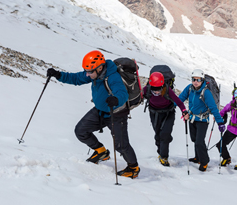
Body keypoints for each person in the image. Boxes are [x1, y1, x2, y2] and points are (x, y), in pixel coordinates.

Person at [47, 50, 140, 178]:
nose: (88, 74)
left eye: (90, 71)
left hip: (116, 114)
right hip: (100, 111)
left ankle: (133, 168)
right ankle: (101, 152)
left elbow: (122, 93)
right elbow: (76, 78)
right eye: (87, 71)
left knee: (121, 146)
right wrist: (58, 75)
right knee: (80, 131)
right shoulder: (94, 73)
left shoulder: (113, 77)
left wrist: (116, 99)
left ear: (100, 67)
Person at [178, 69, 224, 172]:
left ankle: (204, 161)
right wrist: (170, 106)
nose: (196, 82)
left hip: (203, 120)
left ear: (202, 80)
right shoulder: (189, 89)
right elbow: (180, 99)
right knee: (194, 139)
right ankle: (197, 157)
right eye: (194, 79)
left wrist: (220, 122)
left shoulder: (206, 92)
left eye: (198, 80)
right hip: (191, 118)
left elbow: (213, 108)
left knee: (199, 141)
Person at [143, 72, 189, 167]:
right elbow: (138, 97)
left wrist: (184, 111)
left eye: (159, 89)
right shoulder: (146, 90)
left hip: (168, 113)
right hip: (154, 113)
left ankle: (164, 157)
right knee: (158, 134)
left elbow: (179, 102)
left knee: (164, 134)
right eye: (154, 89)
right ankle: (161, 151)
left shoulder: (167, 90)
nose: (156, 92)